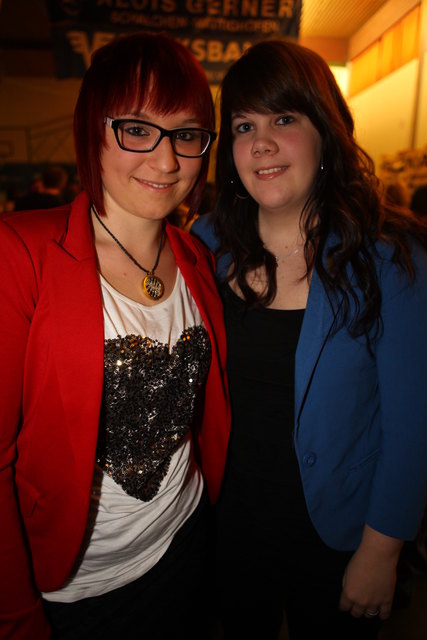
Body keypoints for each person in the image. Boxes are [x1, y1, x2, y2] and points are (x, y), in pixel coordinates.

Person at [191, 38, 427, 640]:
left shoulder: (390, 259)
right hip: (228, 528)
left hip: (340, 536)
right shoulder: (205, 243)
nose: (261, 143)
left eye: (284, 119)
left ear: (326, 130)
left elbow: (412, 426)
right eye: (244, 126)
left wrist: (382, 550)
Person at [0, 31, 230, 640]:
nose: (166, 160)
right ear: (93, 131)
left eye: (186, 134)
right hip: (75, 590)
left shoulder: (197, 258)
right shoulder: (20, 255)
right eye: (137, 129)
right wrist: (14, 617)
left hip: (186, 540)